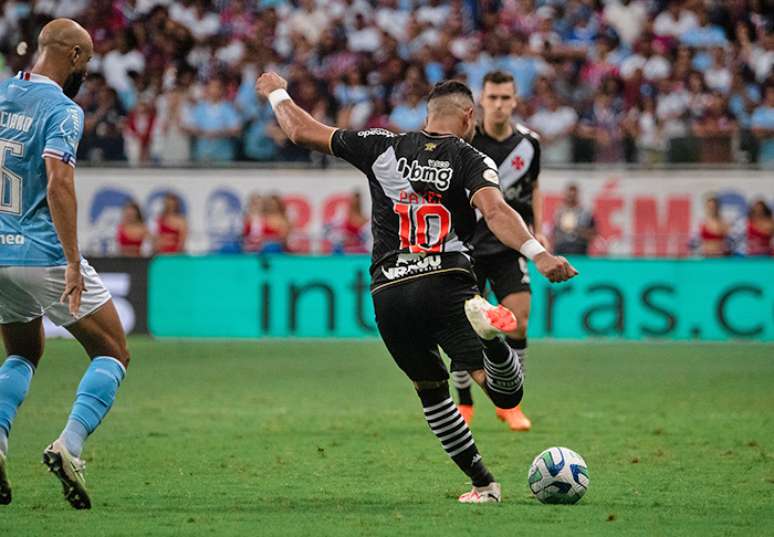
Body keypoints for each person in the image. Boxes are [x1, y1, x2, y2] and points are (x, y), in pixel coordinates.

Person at [255, 72, 577, 503]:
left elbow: (299, 130)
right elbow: (496, 211)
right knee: (507, 391)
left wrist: (277, 90)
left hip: (389, 293)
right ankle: (492, 338)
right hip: (447, 286)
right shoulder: (470, 157)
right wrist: (538, 254)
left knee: (430, 392)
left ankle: (483, 485)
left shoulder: (380, 144)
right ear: (468, 116)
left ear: (427, 115)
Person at [0, 19, 130, 509]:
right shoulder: (63, 109)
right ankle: (69, 446)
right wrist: (74, 260)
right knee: (114, 350)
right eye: (88, 61)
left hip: (0, 252)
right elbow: (59, 182)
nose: (87, 70)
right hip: (43, 253)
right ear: (75, 56)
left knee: (23, 354)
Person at [452, 71, 544, 432]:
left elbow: (533, 188)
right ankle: (464, 403)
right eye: (492, 98)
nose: (499, 104)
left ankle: (511, 403)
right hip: (468, 246)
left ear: (515, 100)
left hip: (508, 245)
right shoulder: (466, 142)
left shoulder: (530, 143)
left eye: (506, 97)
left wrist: (538, 232)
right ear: (481, 101)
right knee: (462, 325)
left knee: (520, 320)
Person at [552, 184, 596, 255]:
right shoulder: (559, 212)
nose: (571, 198)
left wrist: (576, 229)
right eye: (569, 196)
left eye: (573, 196)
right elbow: (553, 233)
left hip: (579, 248)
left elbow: (593, 234)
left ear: (577, 196)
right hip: (561, 248)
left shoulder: (586, 213)